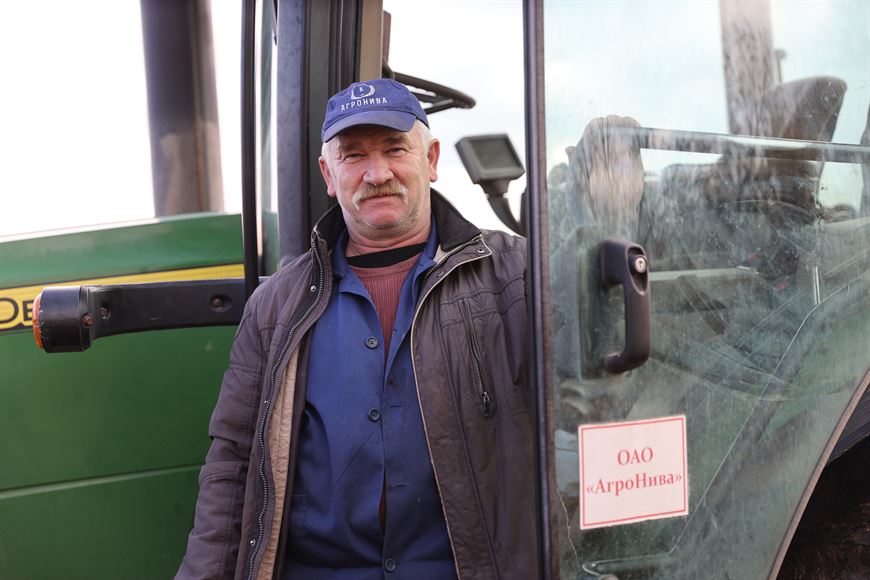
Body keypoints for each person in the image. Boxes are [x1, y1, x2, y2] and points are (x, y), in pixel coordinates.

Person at [176, 78, 538, 580]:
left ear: (431, 159)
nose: (377, 173)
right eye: (353, 156)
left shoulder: (518, 276)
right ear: (329, 174)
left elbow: (594, 387)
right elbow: (232, 464)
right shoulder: (275, 307)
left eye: (395, 149)